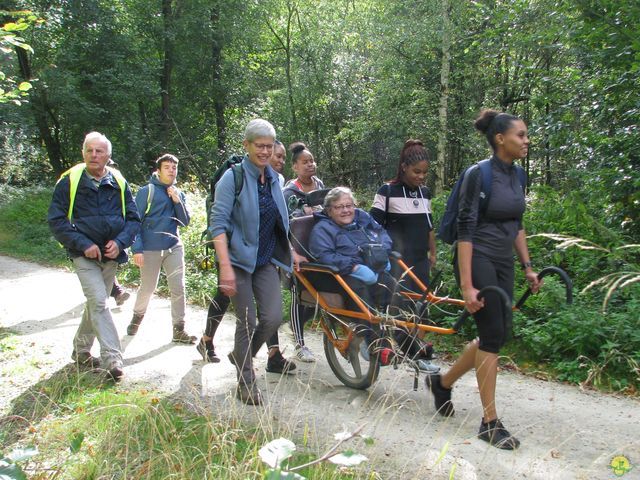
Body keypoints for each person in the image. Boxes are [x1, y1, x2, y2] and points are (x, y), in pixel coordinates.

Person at [425, 109, 541, 450]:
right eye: (520, 135)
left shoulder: (519, 175)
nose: (526, 140)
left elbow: (517, 224)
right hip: (477, 260)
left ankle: (442, 382)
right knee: (491, 335)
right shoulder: (479, 174)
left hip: (503, 262)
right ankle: (489, 423)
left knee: (498, 332)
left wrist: (528, 266)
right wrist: (466, 285)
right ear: (500, 138)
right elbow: (465, 229)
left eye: (526, 134)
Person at [208, 119, 295, 405]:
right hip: (237, 260)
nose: (266, 152)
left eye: (270, 147)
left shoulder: (275, 179)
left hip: (266, 259)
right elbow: (218, 224)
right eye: (260, 146)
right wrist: (225, 268)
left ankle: (240, 355)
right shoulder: (232, 178)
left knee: (272, 317)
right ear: (246, 145)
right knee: (247, 320)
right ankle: (246, 382)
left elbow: (278, 221)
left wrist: (291, 253)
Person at [48, 131, 140, 381]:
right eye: (89, 150)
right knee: (100, 302)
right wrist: (83, 243)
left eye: (99, 151)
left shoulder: (118, 182)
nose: (93, 155)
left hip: (111, 256)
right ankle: (113, 358)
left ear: (108, 156)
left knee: (94, 305)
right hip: (83, 255)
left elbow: (133, 219)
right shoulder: (70, 181)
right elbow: (56, 220)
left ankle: (80, 350)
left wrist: (120, 243)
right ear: (83, 153)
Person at [370, 139, 439, 373]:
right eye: (416, 171)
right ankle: (383, 344)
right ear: (403, 168)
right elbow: (373, 226)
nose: (421, 176)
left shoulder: (425, 193)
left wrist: (433, 252)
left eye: (424, 172)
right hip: (395, 261)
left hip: (420, 259)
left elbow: (429, 226)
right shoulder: (387, 191)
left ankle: (418, 353)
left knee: (421, 306)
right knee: (399, 308)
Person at [308, 187, 395, 364]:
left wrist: (383, 253)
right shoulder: (323, 229)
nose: (346, 210)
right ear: (329, 210)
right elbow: (324, 255)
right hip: (339, 274)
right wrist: (354, 267)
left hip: (371, 267)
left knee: (390, 284)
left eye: (349, 205)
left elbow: (381, 233)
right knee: (359, 290)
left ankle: (404, 337)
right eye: (339, 207)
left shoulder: (362, 217)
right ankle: (372, 342)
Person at [125, 154, 196, 344]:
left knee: (178, 287)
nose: (172, 170)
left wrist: (176, 201)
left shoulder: (178, 193)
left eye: (174, 167)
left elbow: (185, 221)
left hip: (173, 246)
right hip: (150, 249)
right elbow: (134, 222)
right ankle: (137, 317)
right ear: (158, 170)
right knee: (148, 288)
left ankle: (179, 329)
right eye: (167, 167)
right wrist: (137, 249)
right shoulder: (146, 191)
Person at [282, 142, 326, 362]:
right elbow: (285, 222)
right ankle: (299, 344)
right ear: (295, 167)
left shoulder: (319, 184)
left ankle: (297, 327)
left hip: (319, 247)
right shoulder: (289, 191)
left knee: (318, 297)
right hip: (297, 249)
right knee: (298, 295)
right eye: (305, 162)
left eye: (312, 160)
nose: (310, 164)